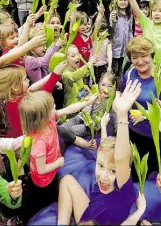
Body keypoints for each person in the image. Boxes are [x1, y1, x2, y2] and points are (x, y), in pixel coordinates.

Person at [57, 80, 140, 225]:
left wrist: (122, 116)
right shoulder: (105, 180)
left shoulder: (125, 190)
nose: (103, 176)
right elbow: (104, 150)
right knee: (66, 180)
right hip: (88, 215)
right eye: (100, 166)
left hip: (94, 222)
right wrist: (102, 126)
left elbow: (120, 158)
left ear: (124, 172)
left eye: (113, 171)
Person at [18, 91, 97, 221]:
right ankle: (22, 218)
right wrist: (58, 163)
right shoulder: (40, 142)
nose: (55, 108)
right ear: (42, 116)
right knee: (39, 200)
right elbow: (41, 168)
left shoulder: (49, 120)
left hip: (52, 172)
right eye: (52, 107)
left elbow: (69, 109)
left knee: (52, 190)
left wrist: (88, 102)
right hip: (42, 181)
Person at [121, 37, 161, 181]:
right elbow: (124, 97)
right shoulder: (130, 74)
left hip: (155, 137)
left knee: (138, 176)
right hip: (131, 131)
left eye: (144, 56)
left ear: (151, 55)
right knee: (124, 169)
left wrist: (146, 114)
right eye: (135, 57)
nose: (140, 61)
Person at [60, 72, 116, 138]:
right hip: (83, 117)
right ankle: (58, 131)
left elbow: (110, 118)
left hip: (90, 126)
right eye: (103, 85)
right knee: (65, 125)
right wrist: (87, 105)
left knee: (71, 130)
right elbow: (87, 106)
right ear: (99, 85)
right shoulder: (95, 94)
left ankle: (62, 134)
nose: (106, 88)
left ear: (114, 88)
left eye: (110, 86)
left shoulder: (111, 102)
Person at [109, 0, 133, 76]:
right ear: (116, 1)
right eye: (120, 0)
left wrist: (131, 42)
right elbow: (111, 31)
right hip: (115, 48)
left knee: (121, 69)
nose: (123, 2)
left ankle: (119, 84)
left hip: (124, 49)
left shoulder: (129, 15)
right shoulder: (113, 14)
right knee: (114, 69)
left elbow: (130, 30)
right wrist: (113, 21)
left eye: (125, 0)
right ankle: (114, 85)